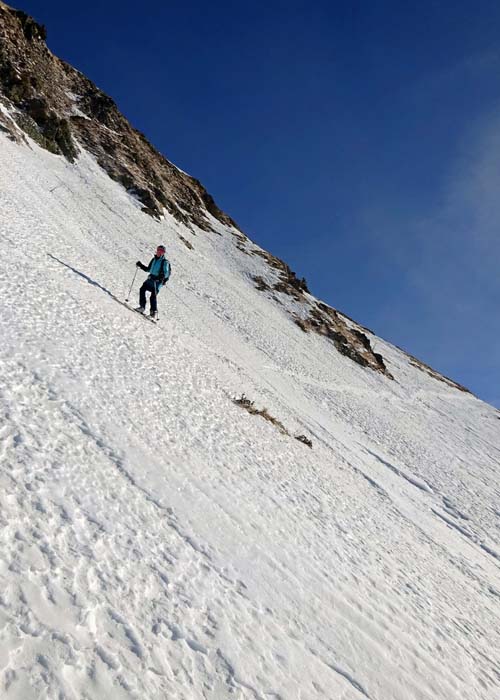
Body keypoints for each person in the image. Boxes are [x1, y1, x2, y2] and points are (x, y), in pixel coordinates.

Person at [135, 245, 171, 317]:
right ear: (156, 250)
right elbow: (148, 269)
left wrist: (161, 277)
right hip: (151, 278)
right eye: (159, 250)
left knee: (153, 296)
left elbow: (166, 273)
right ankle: (142, 307)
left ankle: (153, 313)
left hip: (157, 282)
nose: (159, 252)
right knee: (142, 289)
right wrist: (141, 265)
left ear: (164, 253)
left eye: (162, 251)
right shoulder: (154, 259)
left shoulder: (165, 262)